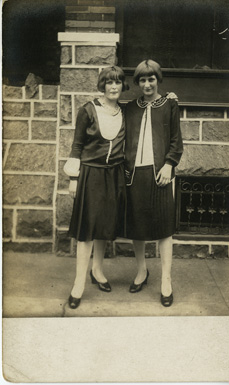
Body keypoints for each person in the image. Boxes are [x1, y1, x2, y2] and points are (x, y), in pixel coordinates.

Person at [64, 66, 128, 309]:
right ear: (102, 85)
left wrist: (170, 98)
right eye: (109, 83)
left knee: (105, 225)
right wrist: (73, 178)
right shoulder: (88, 110)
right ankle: (79, 283)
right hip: (91, 174)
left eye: (118, 82)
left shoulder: (125, 111)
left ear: (123, 86)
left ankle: (98, 271)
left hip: (115, 175)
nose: (113, 87)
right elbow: (77, 145)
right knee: (87, 229)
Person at [124, 59, 183, 307]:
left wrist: (169, 164)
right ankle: (141, 271)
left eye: (151, 79)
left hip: (161, 173)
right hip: (135, 174)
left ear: (158, 80)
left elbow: (176, 140)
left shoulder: (169, 104)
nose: (147, 84)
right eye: (143, 80)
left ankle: (166, 280)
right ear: (137, 82)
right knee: (138, 226)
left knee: (163, 227)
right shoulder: (130, 108)